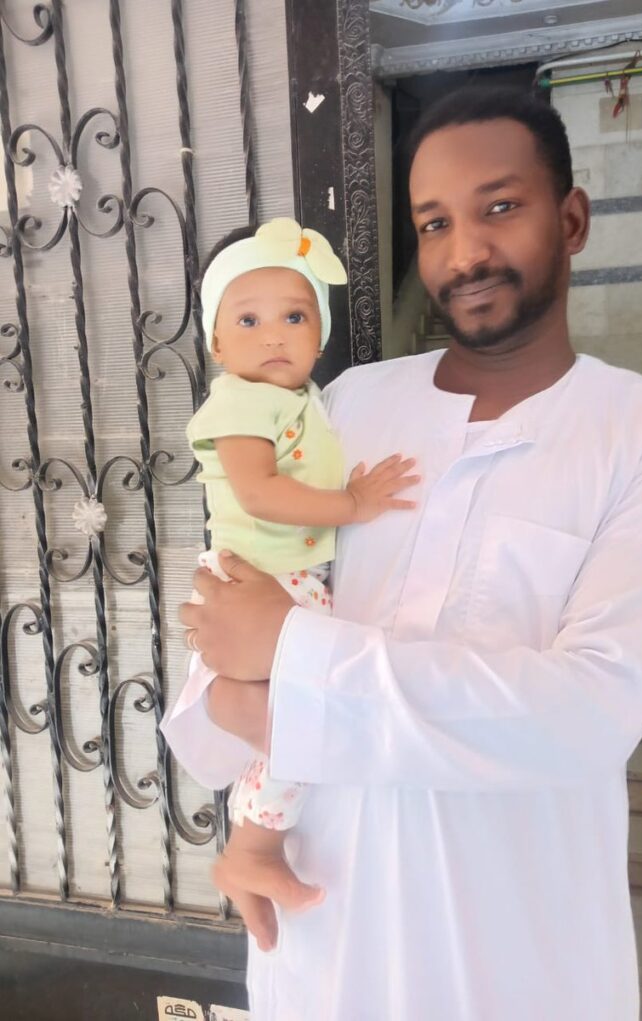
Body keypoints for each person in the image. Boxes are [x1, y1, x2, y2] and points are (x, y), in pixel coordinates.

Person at [162, 87, 642, 1021]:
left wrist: (291, 668)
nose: (464, 252)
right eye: (433, 224)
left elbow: (584, 715)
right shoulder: (350, 404)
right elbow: (233, 624)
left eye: (499, 207)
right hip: (320, 941)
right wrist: (241, 686)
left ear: (571, 218)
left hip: (511, 962)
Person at [179, 216, 418, 931]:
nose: (274, 336)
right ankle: (251, 836)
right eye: (248, 320)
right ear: (217, 344)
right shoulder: (239, 401)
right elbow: (258, 492)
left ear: (319, 333)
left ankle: (250, 845)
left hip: (288, 579)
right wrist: (353, 505)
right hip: (260, 576)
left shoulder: (304, 400)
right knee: (312, 723)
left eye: (295, 316)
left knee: (307, 724)